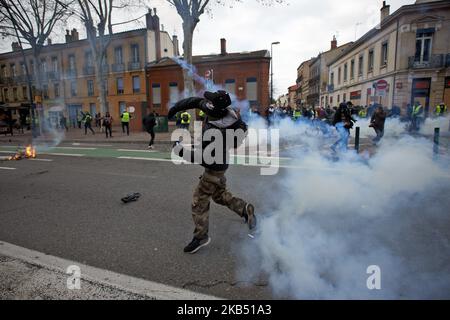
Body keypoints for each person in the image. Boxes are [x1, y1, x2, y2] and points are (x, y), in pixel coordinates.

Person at [168, 90, 256, 254]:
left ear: (217, 109)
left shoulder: (221, 133)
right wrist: (175, 108)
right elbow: (194, 101)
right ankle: (245, 209)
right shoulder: (217, 109)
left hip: (215, 164)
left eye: (210, 102)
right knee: (219, 196)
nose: (206, 104)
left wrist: (180, 151)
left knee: (199, 200)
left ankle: (201, 237)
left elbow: (204, 158)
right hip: (219, 162)